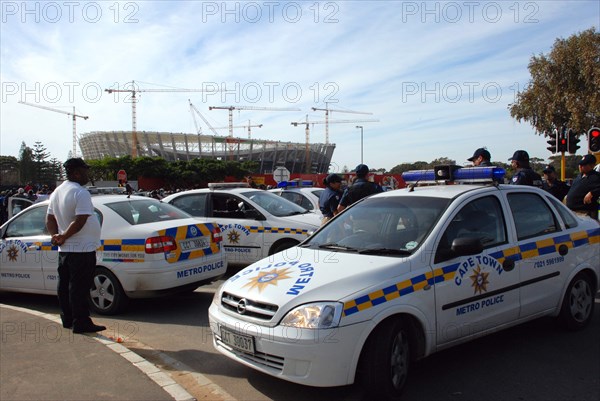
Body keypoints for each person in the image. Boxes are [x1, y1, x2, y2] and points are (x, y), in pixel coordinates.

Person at [45, 158, 106, 334]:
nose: (87, 174)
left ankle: (68, 318)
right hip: (82, 249)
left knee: (65, 286)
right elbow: (80, 220)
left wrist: (56, 236)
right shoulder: (80, 192)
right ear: (76, 172)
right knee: (79, 287)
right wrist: (63, 235)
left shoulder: (57, 191)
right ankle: (81, 322)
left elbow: (50, 219)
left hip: (66, 250)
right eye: (85, 170)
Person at [565, 154, 600, 219]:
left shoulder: (596, 176)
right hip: (572, 212)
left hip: (585, 213)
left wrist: (592, 193)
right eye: (580, 164)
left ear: (591, 165)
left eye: (583, 165)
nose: (580, 166)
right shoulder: (579, 176)